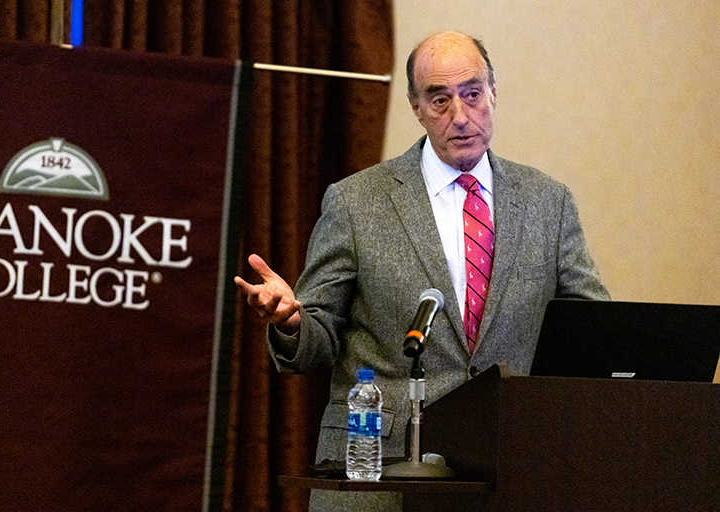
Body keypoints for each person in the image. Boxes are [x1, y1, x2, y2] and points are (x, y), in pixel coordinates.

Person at [235, 31, 609, 511]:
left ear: (494, 92)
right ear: (415, 106)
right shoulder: (356, 201)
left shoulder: (547, 202)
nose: (460, 116)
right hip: (380, 475)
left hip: (505, 472)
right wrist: (290, 319)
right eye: (439, 100)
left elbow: (590, 324)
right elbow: (318, 336)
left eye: (472, 94)